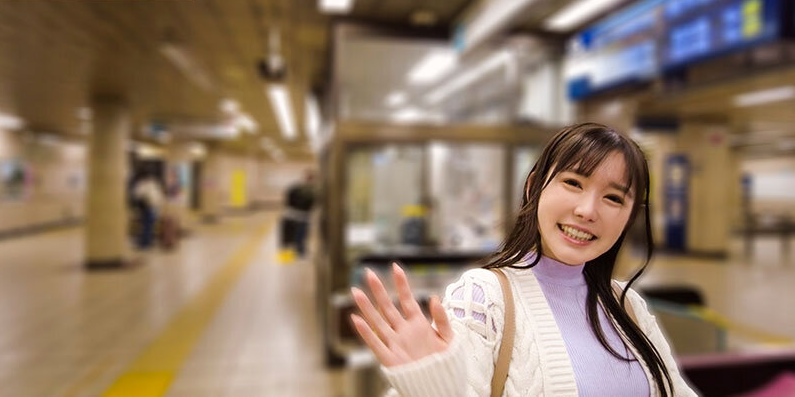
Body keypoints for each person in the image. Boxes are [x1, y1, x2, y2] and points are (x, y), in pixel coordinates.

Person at [349, 123, 699, 396]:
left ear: (629, 216)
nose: (587, 210)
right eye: (573, 183)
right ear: (534, 187)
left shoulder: (629, 307)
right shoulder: (484, 298)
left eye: (613, 198)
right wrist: (432, 386)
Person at [280, 171, 317, 257]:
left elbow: (287, 201)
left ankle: (298, 250)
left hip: (292, 215)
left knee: (296, 235)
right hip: (300, 216)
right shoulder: (308, 190)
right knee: (299, 234)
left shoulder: (296, 187)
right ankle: (299, 251)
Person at [132, 171, 165, 249]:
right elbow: (159, 196)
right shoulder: (153, 184)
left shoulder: (144, 184)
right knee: (149, 225)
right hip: (153, 207)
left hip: (147, 206)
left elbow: (137, 194)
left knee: (146, 225)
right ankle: (148, 242)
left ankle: (145, 243)